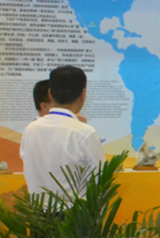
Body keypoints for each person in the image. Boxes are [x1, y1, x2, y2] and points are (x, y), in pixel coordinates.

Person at [20, 66, 105, 197]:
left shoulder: (31, 129)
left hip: (37, 208)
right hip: (75, 209)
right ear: (83, 94)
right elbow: (100, 180)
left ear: (50, 93)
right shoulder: (84, 132)